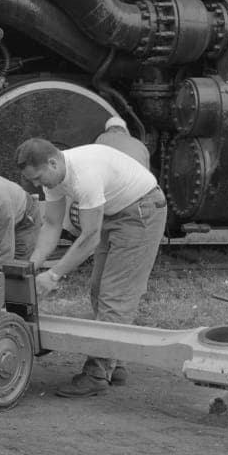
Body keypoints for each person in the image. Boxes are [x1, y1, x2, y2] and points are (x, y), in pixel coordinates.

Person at [15, 139, 168, 398]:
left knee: (115, 296)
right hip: (116, 212)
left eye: (39, 179)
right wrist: (31, 266)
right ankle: (115, 362)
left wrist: (52, 275)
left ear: (52, 162)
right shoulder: (55, 176)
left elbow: (89, 239)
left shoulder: (84, 175)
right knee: (98, 289)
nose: (39, 186)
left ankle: (97, 373)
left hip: (142, 212)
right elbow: (52, 224)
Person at [92, 115, 150, 385]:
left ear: (108, 131)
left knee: (107, 289)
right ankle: (118, 362)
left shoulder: (102, 140)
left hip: (116, 213)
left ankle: (106, 366)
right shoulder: (140, 146)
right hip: (138, 209)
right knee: (123, 292)